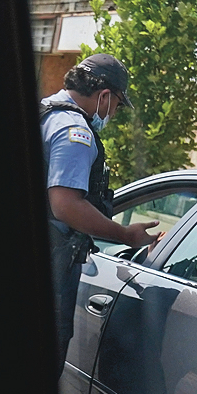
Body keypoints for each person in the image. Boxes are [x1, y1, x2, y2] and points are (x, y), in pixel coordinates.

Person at [43, 53, 158, 371]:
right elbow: (65, 205)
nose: (114, 113)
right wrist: (123, 234)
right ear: (105, 96)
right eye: (118, 105)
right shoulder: (74, 132)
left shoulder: (44, 112)